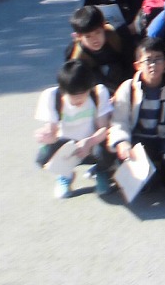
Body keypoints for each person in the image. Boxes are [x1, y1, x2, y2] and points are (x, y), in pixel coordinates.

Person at [108, 38, 165, 190]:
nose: (153, 65)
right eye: (148, 60)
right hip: (139, 138)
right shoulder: (128, 89)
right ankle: (149, 176)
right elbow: (119, 121)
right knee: (130, 165)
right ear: (137, 65)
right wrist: (122, 142)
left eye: (158, 59)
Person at [33, 60, 113, 198]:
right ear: (63, 91)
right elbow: (52, 130)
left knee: (109, 148)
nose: (78, 101)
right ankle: (65, 175)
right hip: (66, 145)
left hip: (92, 143)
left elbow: (104, 129)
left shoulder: (99, 93)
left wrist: (89, 142)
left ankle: (101, 171)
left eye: (83, 95)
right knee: (43, 158)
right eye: (73, 97)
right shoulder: (51, 96)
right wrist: (47, 136)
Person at [64, 5, 133, 92]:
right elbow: (72, 83)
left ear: (104, 26)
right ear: (78, 36)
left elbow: (130, 62)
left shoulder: (116, 36)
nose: (95, 39)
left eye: (98, 32)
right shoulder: (76, 56)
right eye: (88, 36)